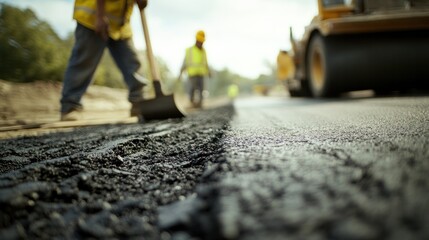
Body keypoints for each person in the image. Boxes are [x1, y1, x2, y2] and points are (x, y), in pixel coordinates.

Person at [60, 0, 148, 121]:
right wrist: (100, 16)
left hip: (120, 25)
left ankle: (139, 104)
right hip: (93, 17)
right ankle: (70, 107)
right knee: (84, 63)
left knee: (133, 63)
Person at [179, 30, 211, 108]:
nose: (201, 43)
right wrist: (181, 73)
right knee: (192, 89)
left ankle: (200, 104)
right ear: (196, 40)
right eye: (200, 41)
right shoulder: (189, 50)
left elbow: (206, 63)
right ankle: (192, 103)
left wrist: (209, 72)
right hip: (192, 74)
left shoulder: (204, 51)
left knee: (201, 89)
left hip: (201, 74)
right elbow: (184, 62)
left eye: (202, 41)